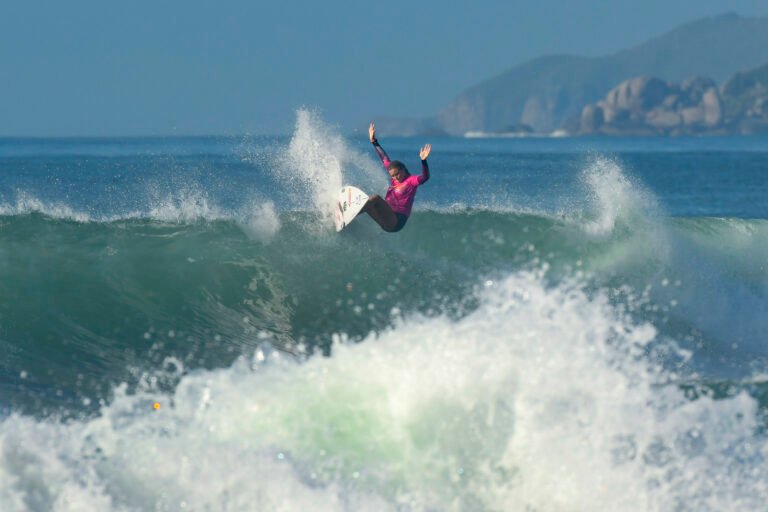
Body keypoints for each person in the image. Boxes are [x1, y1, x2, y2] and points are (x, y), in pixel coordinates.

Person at [361, 122, 431, 232]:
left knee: (375, 198)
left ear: (403, 169)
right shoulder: (394, 178)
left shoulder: (411, 181)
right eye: (392, 176)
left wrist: (423, 161)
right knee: (367, 201)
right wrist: (374, 142)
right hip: (386, 220)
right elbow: (384, 158)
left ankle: (353, 214)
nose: (395, 178)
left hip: (396, 221)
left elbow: (425, 177)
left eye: (397, 174)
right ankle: (348, 219)